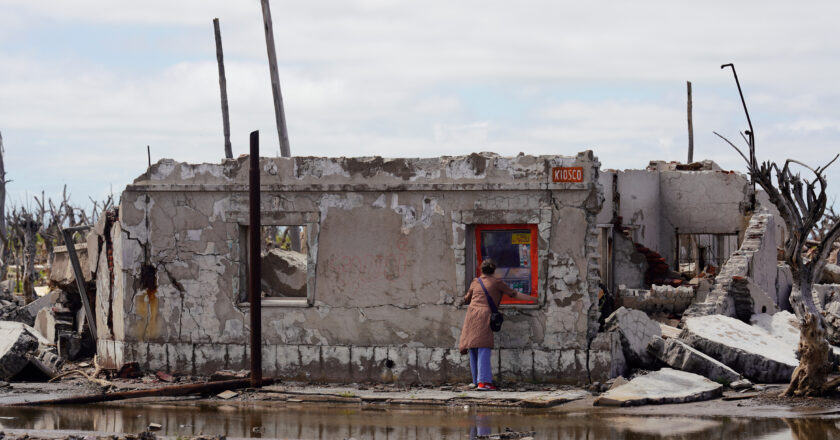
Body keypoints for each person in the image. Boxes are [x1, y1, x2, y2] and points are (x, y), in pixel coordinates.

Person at [458, 258, 536, 390]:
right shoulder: (497, 282)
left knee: (473, 347)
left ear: (482, 270)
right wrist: (534, 299)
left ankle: (476, 381)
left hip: (471, 315)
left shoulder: (475, 281)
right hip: (484, 315)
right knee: (483, 346)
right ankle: (484, 382)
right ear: (493, 270)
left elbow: (467, 298)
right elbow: (514, 294)